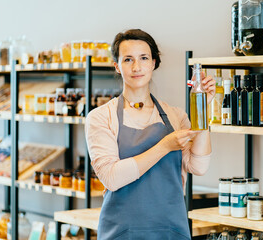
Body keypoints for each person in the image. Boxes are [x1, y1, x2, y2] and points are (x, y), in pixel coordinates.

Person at [85, 29, 215, 240]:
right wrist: (164, 146)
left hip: (171, 230)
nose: (137, 67)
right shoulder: (101, 117)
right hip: (121, 233)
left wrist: (204, 110)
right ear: (117, 66)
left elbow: (198, 166)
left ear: (154, 63)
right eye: (128, 59)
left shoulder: (175, 116)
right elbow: (111, 177)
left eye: (144, 58)